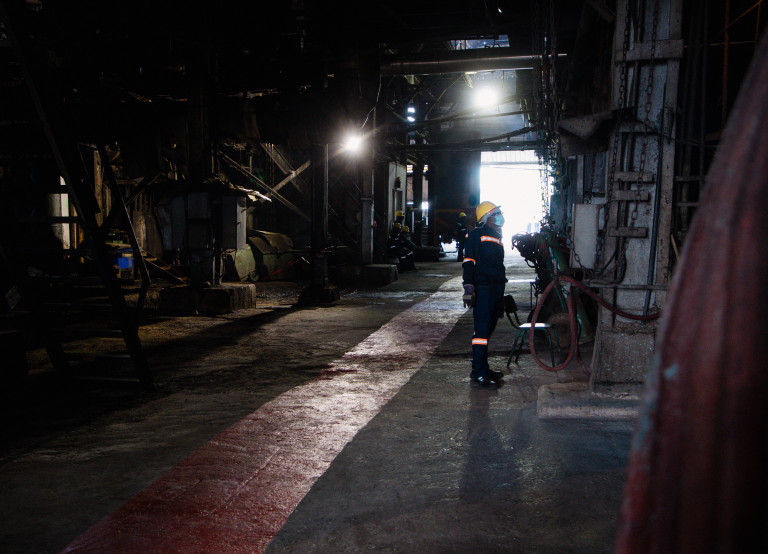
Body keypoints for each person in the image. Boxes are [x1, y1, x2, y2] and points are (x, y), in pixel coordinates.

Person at [462, 201, 507, 387]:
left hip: (496, 288)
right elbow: (468, 262)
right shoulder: (475, 235)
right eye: (496, 213)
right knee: (481, 333)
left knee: (488, 330)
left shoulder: (496, 236)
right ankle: (480, 374)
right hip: (483, 289)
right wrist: (468, 287)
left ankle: (481, 368)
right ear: (488, 218)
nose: (500, 216)